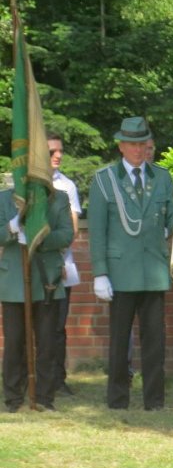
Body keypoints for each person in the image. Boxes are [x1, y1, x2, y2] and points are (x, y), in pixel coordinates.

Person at [89, 116, 173, 410]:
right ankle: (117, 399)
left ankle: (154, 400)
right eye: (132, 144)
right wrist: (100, 272)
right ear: (121, 146)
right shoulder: (104, 179)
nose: (138, 150)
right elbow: (97, 231)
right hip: (121, 272)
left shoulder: (162, 177)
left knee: (155, 342)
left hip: (153, 271)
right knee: (119, 340)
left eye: (142, 144)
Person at [1, 188, 74, 412]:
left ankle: (44, 396)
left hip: (46, 278)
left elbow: (66, 234)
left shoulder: (58, 198)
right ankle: (13, 398)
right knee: (14, 342)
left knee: (47, 342)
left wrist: (39, 237)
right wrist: (12, 228)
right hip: (14, 279)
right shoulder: (4, 198)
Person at [47, 133, 82, 396]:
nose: (58, 156)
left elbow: (72, 230)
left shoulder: (67, 186)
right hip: (33, 268)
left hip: (61, 265)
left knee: (58, 326)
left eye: (60, 151)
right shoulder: (24, 183)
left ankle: (58, 378)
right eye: (51, 152)